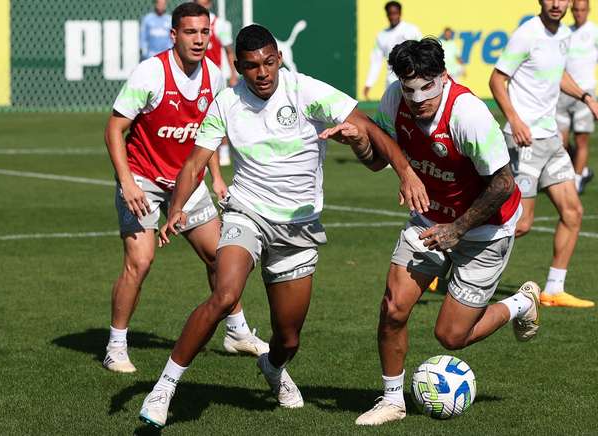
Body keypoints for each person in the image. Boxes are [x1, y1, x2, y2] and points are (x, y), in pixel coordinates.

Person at [138, 24, 429, 429]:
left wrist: (405, 173)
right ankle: (163, 390)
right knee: (224, 295)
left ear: (279, 59)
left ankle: (273, 367)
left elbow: (371, 129)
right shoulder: (226, 102)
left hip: (298, 227)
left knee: (288, 338)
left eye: (270, 62)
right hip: (246, 213)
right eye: (253, 66)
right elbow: (193, 163)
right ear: (238, 67)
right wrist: (176, 209)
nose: (263, 73)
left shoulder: (306, 91)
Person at [352, 38, 539, 426]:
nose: (418, 97)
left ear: (444, 77)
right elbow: (376, 162)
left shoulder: (467, 114)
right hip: (428, 220)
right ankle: (392, 401)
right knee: (393, 307)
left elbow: (503, 184)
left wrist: (457, 229)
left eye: (427, 87)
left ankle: (521, 303)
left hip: (486, 228)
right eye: (409, 88)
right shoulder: (394, 99)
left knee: (452, 337)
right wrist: (359, 143)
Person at [103, 3, 268, 375]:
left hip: (186, 180)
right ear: (174, 35)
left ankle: (237, 332)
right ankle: (115, 345)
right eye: (190, 32)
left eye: (204, 32)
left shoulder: (213, 74)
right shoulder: (150, 73)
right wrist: (128, 182)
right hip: (142, 177)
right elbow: (114, 129)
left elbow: (204, 134)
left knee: (219, 256)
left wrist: (216, 176)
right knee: (140, 261)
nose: (198, 39)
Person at [489, 0, 598, 308]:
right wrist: (514, 119)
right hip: (523, 144)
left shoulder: (564, 34)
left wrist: (586, 97)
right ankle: (452, 248)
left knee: (573, 212)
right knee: (522, 223)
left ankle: (554, 288)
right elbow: (496, 79)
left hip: (551, 140)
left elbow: (560, 75)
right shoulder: (527, 34)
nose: (556, 3)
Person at [556, 0, 598, 193]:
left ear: (588, 10)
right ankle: (582, 169)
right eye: (576, 10)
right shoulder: (564, 32)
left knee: (581, 140)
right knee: (560, 142)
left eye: (582, 10)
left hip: (586, 93)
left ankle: (577, 181)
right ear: (571, 11)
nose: (579, 14)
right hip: (563, 93)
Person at [195, 0, 238, 166]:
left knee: (219, 114)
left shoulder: (220, 25)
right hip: (196, 76)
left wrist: (233, 74)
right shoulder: (192, 23)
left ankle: (224, 151)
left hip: (215, 77)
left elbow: (229, 51)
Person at [363, 1, 421, 100]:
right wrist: (369, 83)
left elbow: (421, 52)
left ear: (400, 13)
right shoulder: (381, 35)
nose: (393, 16)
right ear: (387, 14)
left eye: (395, 13)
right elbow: (376, 61)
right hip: (392, 81)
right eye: (390, 13)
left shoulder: (411, 30)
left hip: (412, 78)